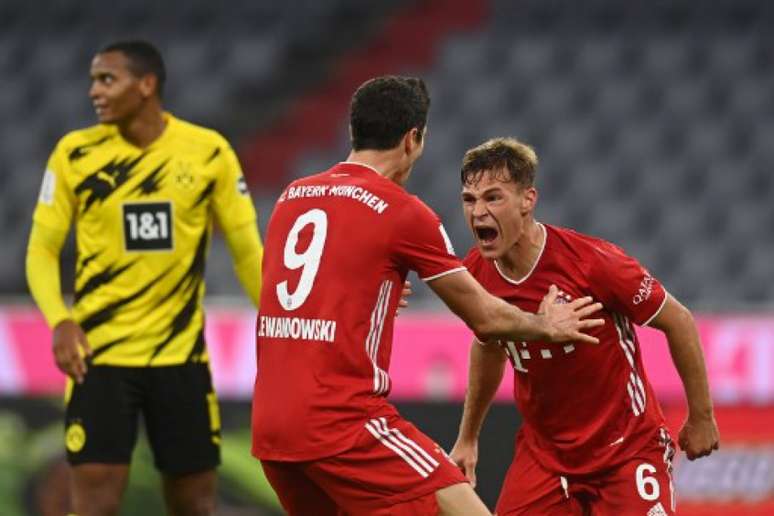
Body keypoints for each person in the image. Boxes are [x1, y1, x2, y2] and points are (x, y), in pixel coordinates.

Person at [250, 76, 604, 516]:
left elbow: (296, 292)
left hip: (272, 429)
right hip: (344, 424)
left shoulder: (292, 196)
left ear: (353, 132)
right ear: (413, 138)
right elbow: (485, 320)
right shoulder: (402, 211)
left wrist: (366, 296)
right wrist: (544, 326)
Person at [25, 40, 264, 516]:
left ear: (146, 84)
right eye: (93, 79)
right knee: (93, 504)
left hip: (181, 359)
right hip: (99, 359)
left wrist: (281, 323)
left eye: (106, 79)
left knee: (195, 504)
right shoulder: (75, 154)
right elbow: (42, 249)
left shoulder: (207, 153)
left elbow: (247, 252)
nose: (94, 90)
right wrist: (59, 320)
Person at [449, 137, 720, 515]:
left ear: (528, 200)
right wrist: (468, 437)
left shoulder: (593, 263)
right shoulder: (476, 275)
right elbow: (488, 344)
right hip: (545, 458)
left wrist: (702, 416)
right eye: (469, 200)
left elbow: (679, 321)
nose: (478, 212)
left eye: (493, 198)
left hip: (627, 449)